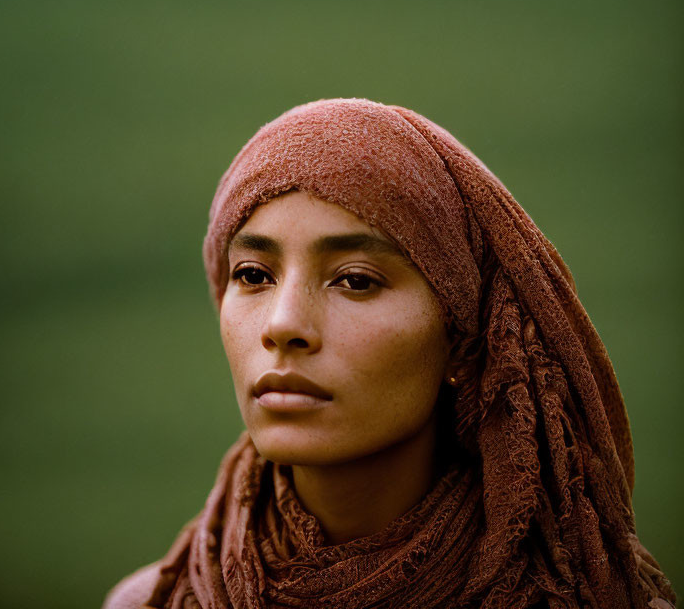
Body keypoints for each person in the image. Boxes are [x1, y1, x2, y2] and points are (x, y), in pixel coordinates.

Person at [103, 98, 675, 609]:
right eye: (253, 274)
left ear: (462, 338)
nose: (282, 325)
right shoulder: (151, 602)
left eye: (354, 280)